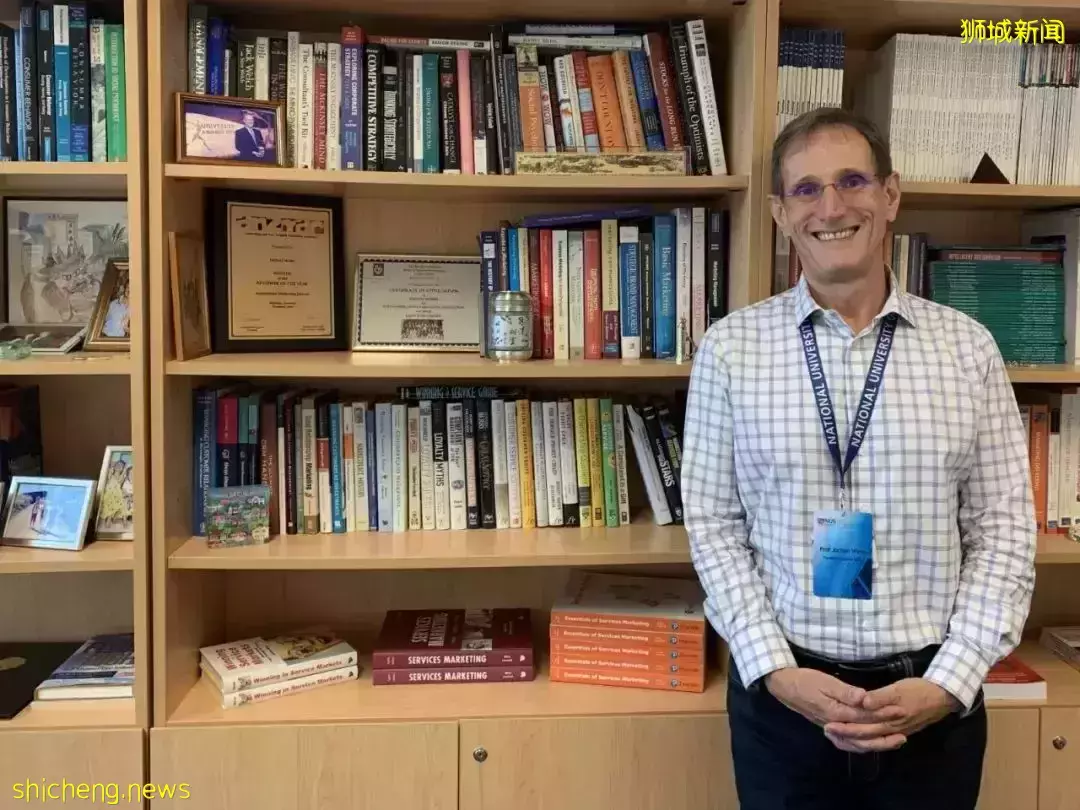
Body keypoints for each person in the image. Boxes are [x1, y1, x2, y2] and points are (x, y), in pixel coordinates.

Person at [680, 107, 1036, 810]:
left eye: (852, 181)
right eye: (806, 189)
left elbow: (1004, 530)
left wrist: (951, 680)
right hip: (784, 704)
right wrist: (774, 670)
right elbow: (714, 525)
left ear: (890, 195)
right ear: (781, 213)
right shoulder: (731, 350)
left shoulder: (968, 349)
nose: (831, 207)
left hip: (931, 703)